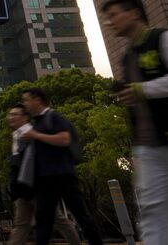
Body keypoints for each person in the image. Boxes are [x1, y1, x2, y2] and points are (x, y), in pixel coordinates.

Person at [101, 0, 168, 245]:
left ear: (133, 13)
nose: (110, 23)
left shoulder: (164, 39)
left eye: (113, 15)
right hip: (148, 146)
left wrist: (142, 90)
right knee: (152, 209)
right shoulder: (126, 57)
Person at [20, 88, 102, 245]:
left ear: (37, 100)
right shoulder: (35, 123)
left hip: (62, 175)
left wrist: (36, 136)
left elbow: (65, 139)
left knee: (81, 215)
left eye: (27, 100)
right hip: (44, 179)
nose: (25, 104)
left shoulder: (54, 117)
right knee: (43, 219)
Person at [6, 103, 81, 245]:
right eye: (10, 115)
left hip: (36, 187)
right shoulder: (16, 135)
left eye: (15, 114)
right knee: (21, 224)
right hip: (22, 188)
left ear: (25, 117)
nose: (11, 117)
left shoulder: (31, 132)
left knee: (57, 219)